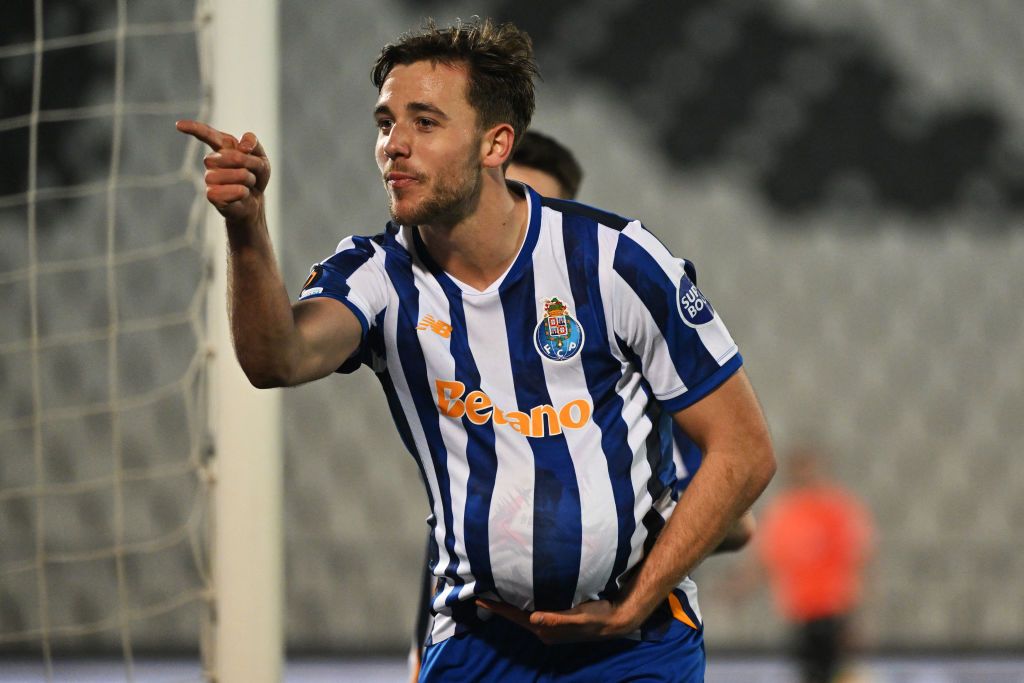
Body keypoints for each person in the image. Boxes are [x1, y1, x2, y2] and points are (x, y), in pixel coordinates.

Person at [177, 17, 775, 682]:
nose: (393, 146)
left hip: (636, 645)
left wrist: (633, 605)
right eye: (385, 122)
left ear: (495, 144)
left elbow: (744, 449)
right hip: (478, 640)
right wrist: (246, 228)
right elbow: (276, 359)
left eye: (425, 122)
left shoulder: (615, 261)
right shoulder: (375, 276)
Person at [406, 130, 757, 680]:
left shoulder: (632, 376)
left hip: (621, 639)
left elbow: (738, 518)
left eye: (530, 206)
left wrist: (621, 531)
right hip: (481, 636)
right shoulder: (451, 349)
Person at [754, 446, 874, 683]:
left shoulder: (835, 509)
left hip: (833, 610)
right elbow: (766, 561)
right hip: (800, 613)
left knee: (835, 673)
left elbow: (858, 561)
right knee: (811, 674)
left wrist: (858, 615)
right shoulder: (784, 513)